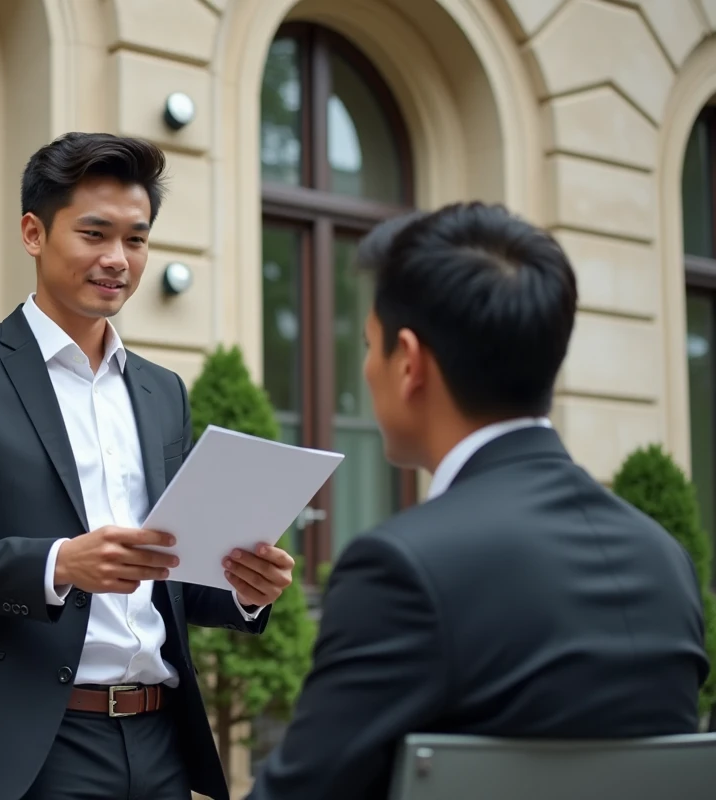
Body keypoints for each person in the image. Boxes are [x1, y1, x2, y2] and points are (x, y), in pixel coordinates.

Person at [246, 202, 711, 800]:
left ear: (408, 362)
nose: (365, 368)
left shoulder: (402, 568)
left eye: (368, 344)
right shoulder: (666, 559)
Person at [0, 131, 295, 800]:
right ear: (33, 233)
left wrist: (245, 588)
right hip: (36, 746)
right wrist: (59, 565)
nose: (118, 260)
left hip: (160, 740)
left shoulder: (163, 391)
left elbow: (171, 572)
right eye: (95, 234)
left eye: (136, 239)